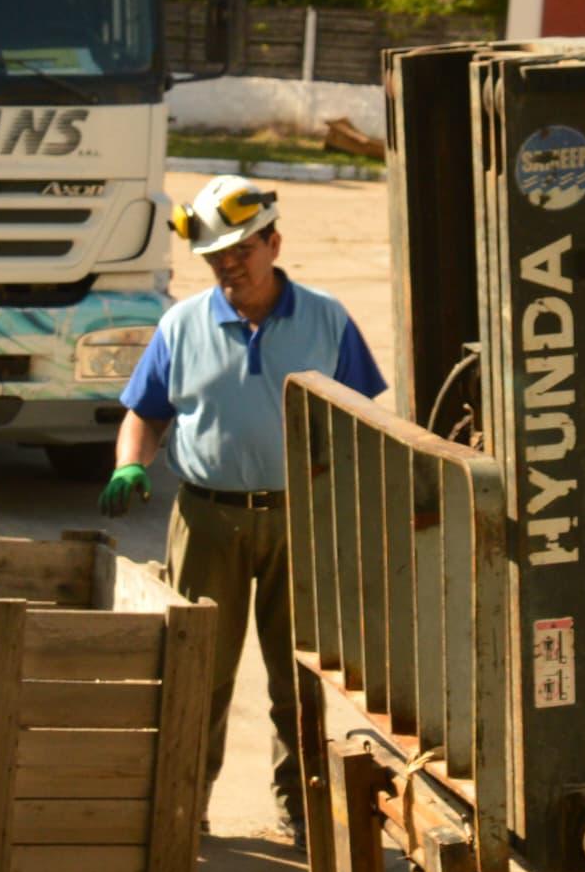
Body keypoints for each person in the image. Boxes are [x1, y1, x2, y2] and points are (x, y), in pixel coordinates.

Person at [111, 173, 389, 832]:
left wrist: (359, 505)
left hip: (300, 520)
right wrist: (129, 464)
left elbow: (362, 422)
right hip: (206, 520)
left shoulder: (327, 319)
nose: (229, 267)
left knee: (298, 680)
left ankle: (301, 814)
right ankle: (185, 812)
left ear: (274, 242)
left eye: (241, 252)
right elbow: (145, 413)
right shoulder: (182, 324)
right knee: (195, 675)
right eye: (216, 258)